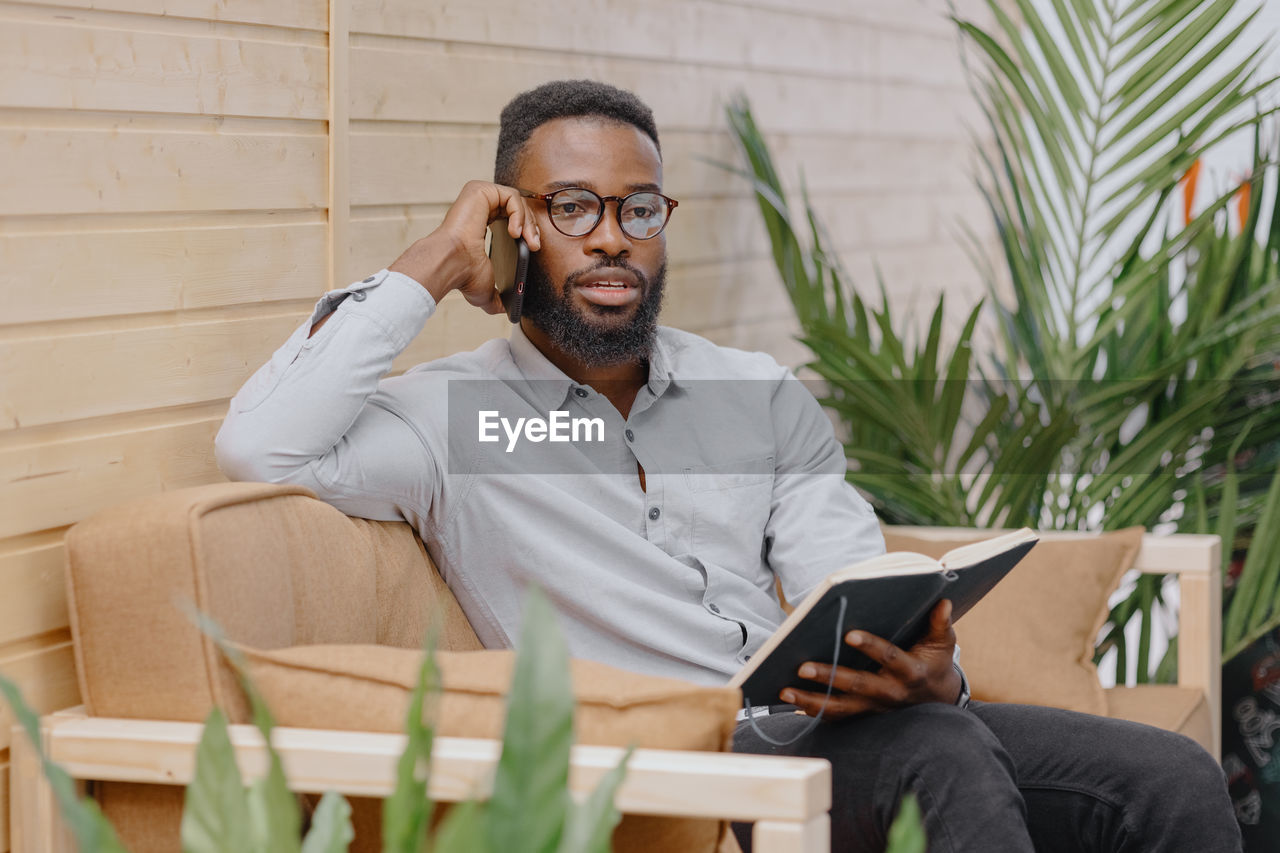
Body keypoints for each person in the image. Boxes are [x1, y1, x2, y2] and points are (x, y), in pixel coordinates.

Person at [216, 79, 1240, 852]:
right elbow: (263, 441)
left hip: (826, 723)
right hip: (678, 755)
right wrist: (433, 264)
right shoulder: (455, 419)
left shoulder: (747, 390)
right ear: (509, 227)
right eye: (570, 208)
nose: (611, 239)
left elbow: (847, 574)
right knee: (941, 752)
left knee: (1168, 775)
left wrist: (931, 669)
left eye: (638, 208)